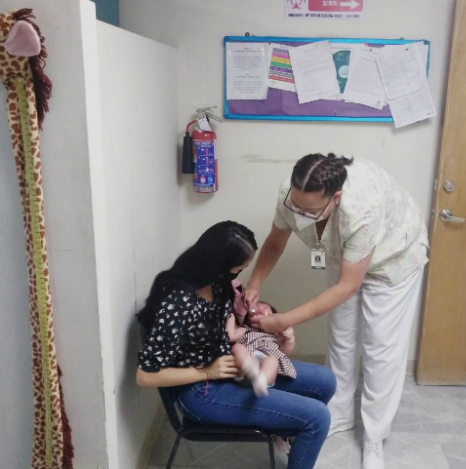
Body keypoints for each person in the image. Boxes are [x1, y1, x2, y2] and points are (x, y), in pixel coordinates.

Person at [245, 154, 429, 469]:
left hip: (393, 259)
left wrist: (282, 320)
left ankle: (374, 435)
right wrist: (254, 283)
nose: (300, 215)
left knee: (381, 347)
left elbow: (347, 287)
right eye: (296, 206)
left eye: (311, 211)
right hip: (343, 253)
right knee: (341, 336)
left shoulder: (361, 208)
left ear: (336, 198)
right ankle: (339, 412)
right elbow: (275, 242)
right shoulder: (290, 192)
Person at [136, 221, 336, 469]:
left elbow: (225, 328)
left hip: (232, 371)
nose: (240, 274)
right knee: (317, 418)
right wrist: (207, 372)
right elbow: (145, 375)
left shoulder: (216, 282)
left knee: (325, 381)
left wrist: (261, 329)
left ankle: (286, 435)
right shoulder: (178, 302)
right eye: (239, 268)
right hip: (202, 392)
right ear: (219, 263)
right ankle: (292, 427)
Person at [227, 299, 297, 396]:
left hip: (264, 363)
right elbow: (230, 336)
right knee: (237, 347)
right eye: (255, 308)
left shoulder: (276, 334)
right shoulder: (246, 329)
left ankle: (263, 380)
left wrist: (290, 339)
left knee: (273, 360)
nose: (259, 308)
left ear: (274, 317)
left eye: (265, 308)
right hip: (247, 363)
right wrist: (231, 319)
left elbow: (285, 351)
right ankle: (247, 367)